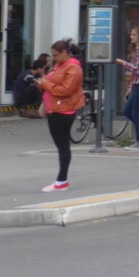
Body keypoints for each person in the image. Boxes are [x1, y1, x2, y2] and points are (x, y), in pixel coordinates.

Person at [34, 38, 84, 192]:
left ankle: (62, 181)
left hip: (64, 109)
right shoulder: (59, 65)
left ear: (64, 52)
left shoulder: (73, 68)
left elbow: (65, 90)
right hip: (54, 108)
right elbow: (53, 84)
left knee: (62, 145)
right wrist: (42, 84)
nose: (53, 58)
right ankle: (61, 180)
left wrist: (45, 84)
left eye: (55, 55)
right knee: (61, 145)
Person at [116, 26, 139, 150]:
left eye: (134, 34)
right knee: (127, 111)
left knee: (135, 112)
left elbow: (137, 69)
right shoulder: (136, 50)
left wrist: (123, 63)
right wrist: (130, 87)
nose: (131, 37)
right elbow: (136, 74)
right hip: (137, 84)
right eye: (131, 34)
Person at [12, 54, 49, 118]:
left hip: (29, 98)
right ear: (39, 68)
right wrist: (43, 77)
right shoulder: (26, 75)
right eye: (43, 69)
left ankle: (43, 108)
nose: (43, 71)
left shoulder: (37, 75)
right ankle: (38, 108)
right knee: (38, 86)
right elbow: (36, 81)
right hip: (21, 99)